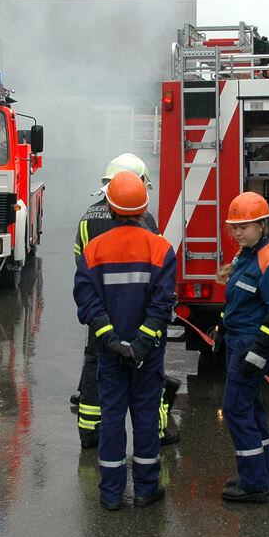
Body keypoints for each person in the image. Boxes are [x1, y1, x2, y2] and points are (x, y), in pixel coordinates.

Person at [73, 170, 177, 510]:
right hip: (148, 355)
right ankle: (147, 490)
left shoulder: (94, 250)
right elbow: (162, 305)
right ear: (144, 208)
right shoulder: (161, 248)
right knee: (146, 418)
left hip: (109, 353)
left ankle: (111, 494)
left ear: (111, 208)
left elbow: (87, 301)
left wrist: (112, 341)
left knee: (112, 419)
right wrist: (142, 345)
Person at [216, 191, 269, 502]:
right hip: (239, 341)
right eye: (235, 227)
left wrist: (258, 352)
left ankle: (254, 484)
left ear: (263, 225)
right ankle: (263, 475)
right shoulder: (246, 255)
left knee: (235, 410)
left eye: (244, 227)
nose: (238, 232)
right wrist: (223, 326)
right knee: (251, 408)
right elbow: (241, 300)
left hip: (251, 345)